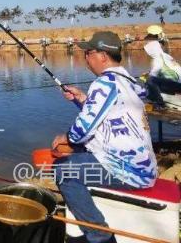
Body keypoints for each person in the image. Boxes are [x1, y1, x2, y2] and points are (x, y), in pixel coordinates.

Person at [52, 31, 157, 243]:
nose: (85, 58)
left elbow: (80, 132)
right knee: (77, 154)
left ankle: (99, 235)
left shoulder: (104, 84)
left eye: (88, 53)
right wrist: (82, 98)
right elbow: (109, 114)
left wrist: (67, 137)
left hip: (129, 170)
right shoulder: (128, 80)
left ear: (102, 55)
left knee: (63, 171)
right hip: (144, 167)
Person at [143, 40, 181, 107]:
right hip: (177, 83)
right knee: (153, 80)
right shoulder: (166, 56)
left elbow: (152, 76)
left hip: (176, 85)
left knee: (149, 80)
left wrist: (146, 76)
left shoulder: (157, 59)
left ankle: (159, 103)